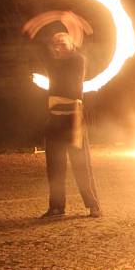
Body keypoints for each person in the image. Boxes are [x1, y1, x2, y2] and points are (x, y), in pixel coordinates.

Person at [37, 31, 101, 218]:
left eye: (63, 42)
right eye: (55, 42)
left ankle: (93, 205)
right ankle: (57, 207)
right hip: (54, 118)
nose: (58, 45)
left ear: (73, 45)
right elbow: (40, 50)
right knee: (55, 165)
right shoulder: (52, 61)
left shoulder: (77, 60)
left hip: (73, 118)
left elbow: (70, 85)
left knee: (81, 164)